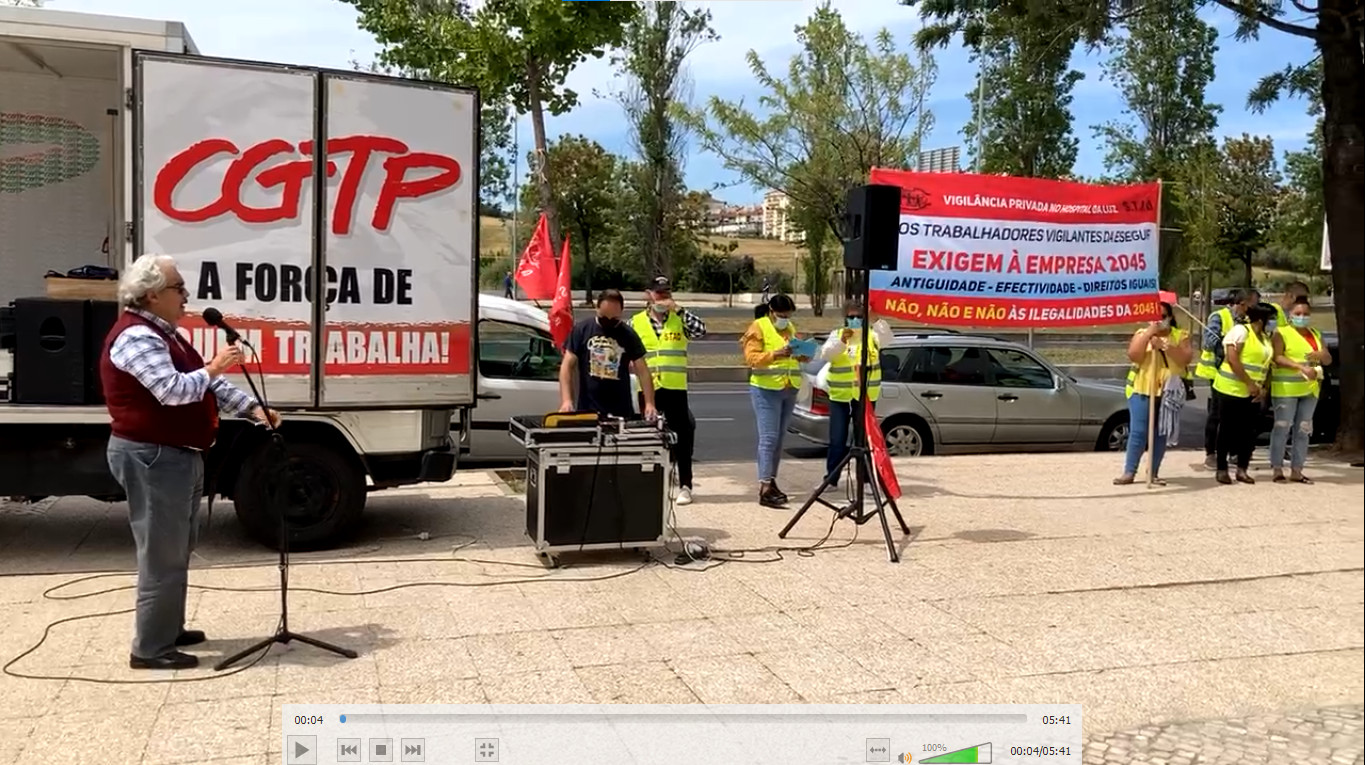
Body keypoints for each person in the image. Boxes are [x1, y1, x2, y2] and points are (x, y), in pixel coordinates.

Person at [100, 253, 279, 670]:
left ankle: (169, 629)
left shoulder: (166, 334)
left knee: (179, 548)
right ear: (152, 295)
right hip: (152, 456)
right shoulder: (136, 336)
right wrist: (215, 366)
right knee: (162, 554)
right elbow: (172, 390)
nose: (186, 295)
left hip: (175, 454)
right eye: (179, 287)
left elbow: (203, 383)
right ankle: (150, 649)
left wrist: (253, 408)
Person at [630, 276, 706, 504]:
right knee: (648, 435)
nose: (662, 298)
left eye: (666, 294)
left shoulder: (679, 319)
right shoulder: (636, 322)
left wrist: (680, 310)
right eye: (658, 294)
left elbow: (701, 330)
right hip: (647, 388)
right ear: (648, 294)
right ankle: (651, 481)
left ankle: (685, 485)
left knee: (683, 435)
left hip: (674, 387)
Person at [817, 298, 893, 490]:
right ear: (845, 317)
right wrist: (841, 342)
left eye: (859, 316)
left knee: (864, 439)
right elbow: (826, 354)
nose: (855, 320)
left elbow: (888, 339)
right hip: (840, 395)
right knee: (837, 439)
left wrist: (876, 319)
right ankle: (831, 478)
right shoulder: (838, 334)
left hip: (865, 396)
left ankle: (866, 479)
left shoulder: (872, 335)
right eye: (851, 317)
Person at [1114, 303, 1193, 485]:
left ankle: (1153, 472)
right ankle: (1129, 471)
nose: (1159, 321)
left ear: (1170, 317)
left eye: (1163, 316)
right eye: (1155, 317)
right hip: (1142, 388)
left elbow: (1185, 358)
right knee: (1139, 432)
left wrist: (1165, 346)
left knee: (1160, 432)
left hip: (1168, 392)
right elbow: (1134, 356)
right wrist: (1149, 334)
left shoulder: (1180, 336)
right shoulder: (1142, 334)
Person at [742, 294, 808, 508]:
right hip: (766, 389)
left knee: (779, 439)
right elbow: (751, 358)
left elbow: (794, 353)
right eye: (781, 315)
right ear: (771, 311)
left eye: (788, 316)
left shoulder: (789, 328)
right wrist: (776, 354)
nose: (784, 319)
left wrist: (803, 354)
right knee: (768, 438)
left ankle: (771, 480)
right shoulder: (758, 327)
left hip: (788, 388)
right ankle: (764, 487)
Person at [559, 289, 658, 421]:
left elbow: (643, 371)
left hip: (620, 409)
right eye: (605, 318)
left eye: (614, 319)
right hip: (588, 409)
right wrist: (567, 400)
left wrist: (649, 403)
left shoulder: (628, 335)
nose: (609, 322)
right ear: (597, 308)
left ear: (621, 313)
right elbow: (567, 366)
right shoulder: (582, 330)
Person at [1269, 297, 1331, 483]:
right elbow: (1277, 357)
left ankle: (1297, 469)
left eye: (1305, 314)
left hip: (1310, 389)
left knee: (1303, 430)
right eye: (1298, 314)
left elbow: (1327, 359)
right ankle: (1277, 468)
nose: (1302, 317)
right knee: (1282, 427)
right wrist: (1300, 367)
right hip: (1286, 389)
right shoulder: (1281, 333)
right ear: (1290, 314)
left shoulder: (1315, 334)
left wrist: (1323, 355)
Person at [1212, 302, 1275, 485]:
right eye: (1271, 319)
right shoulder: (1241, 331)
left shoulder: (1265, 338)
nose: (1273, 323)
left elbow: (1265, 366)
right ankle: (1222, 469)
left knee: (1248, 432)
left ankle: (1242, 468)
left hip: (1254, 392)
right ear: (1262, 320)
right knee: (1226, 429)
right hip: (1230, 388)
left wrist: (1262, 388)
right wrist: (1249, 383)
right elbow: (1232, 358)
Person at [1198, 288, 1255, 469]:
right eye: (1252, 306)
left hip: (1239, 375)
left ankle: (1234, 452)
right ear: (1243, 304)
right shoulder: (1219, 317)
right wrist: (1228, 341)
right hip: (1217, 373)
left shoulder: (1249, 323)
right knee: (1217, 415)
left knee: (1238, 417)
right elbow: (1208, 343)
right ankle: (1211, 453)